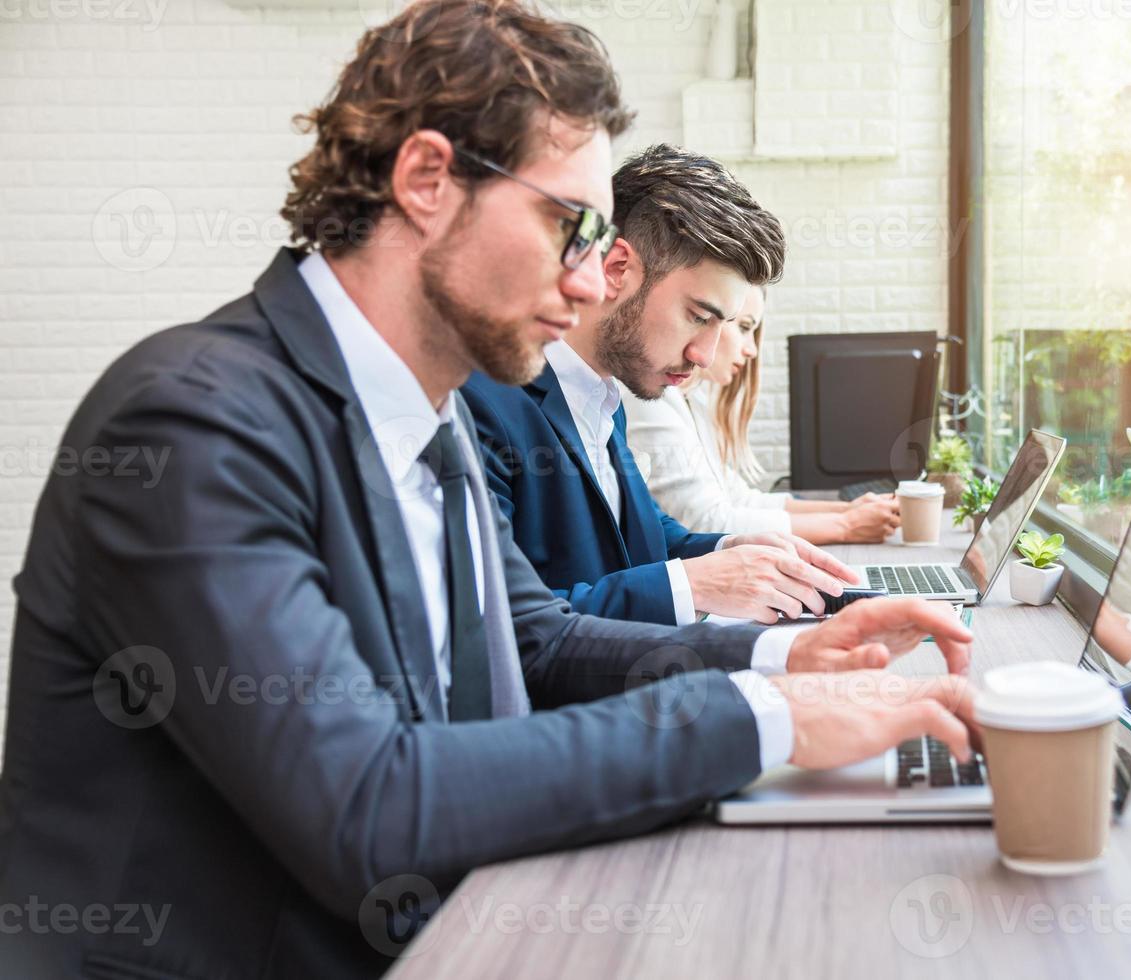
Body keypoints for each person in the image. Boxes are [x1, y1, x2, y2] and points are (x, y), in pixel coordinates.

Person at [0, 4, 982, 976]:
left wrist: (785, 655)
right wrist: (762, 718)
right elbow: (364, 804)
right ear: (427, 179)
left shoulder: (430, 408)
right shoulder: (189, 424)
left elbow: (536, 640)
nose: (596, 283)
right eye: (570, 224)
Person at [463, 144, 862, 625]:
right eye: (698, 316)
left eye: (725, 326)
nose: (705, 355)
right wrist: (695, 584)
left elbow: (643, 536)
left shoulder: (605, 394)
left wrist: (730, 548)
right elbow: (504, 624)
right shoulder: (484, 401)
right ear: (617, 269)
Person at [622, 284, 902, 542]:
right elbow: (707, 521)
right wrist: (846, 526)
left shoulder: (693, 400)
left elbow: (739, 499)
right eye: (744, 327)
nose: (752, 350)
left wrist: (845, 511)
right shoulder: (652, 398)